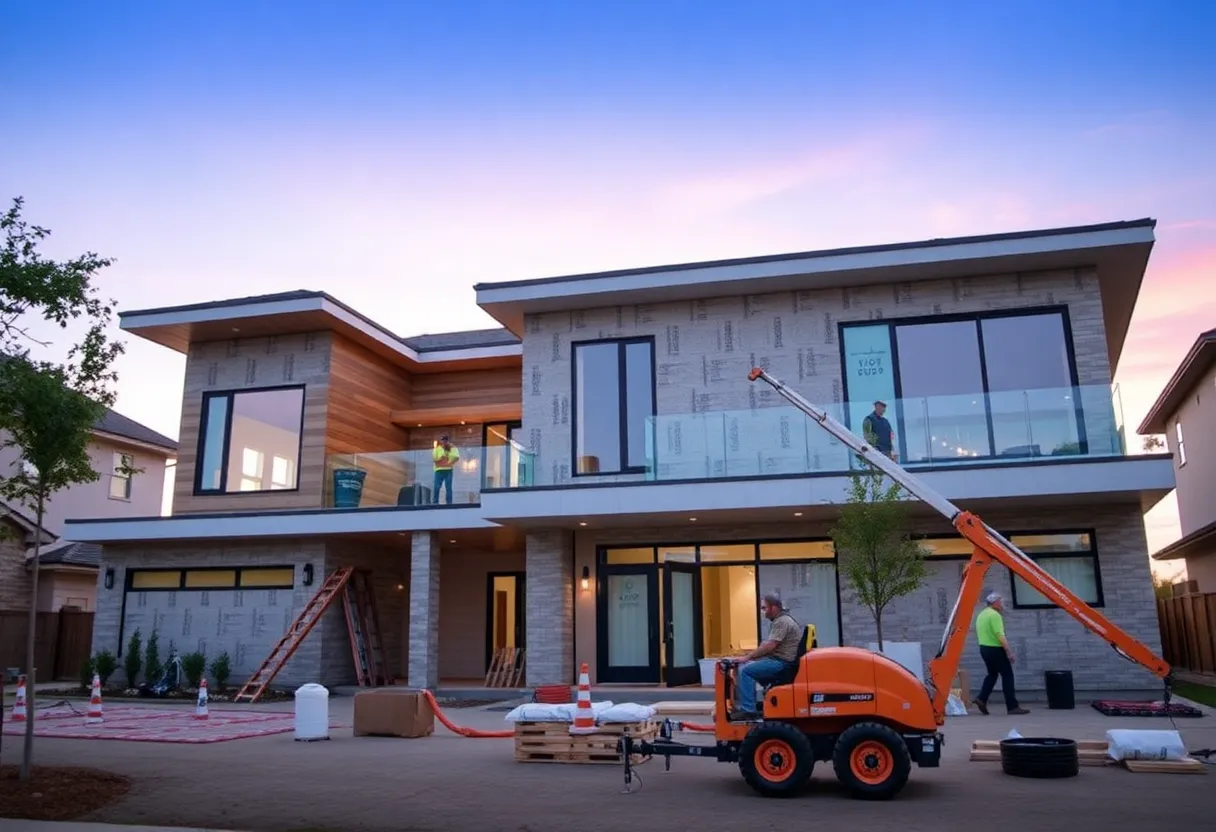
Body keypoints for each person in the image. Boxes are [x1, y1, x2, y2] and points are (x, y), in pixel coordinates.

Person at [730, 594, 804, 720]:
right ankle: (753, 704)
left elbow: (770, 646)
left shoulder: (781, 622)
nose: (763, 612)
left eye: (765, 608)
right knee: (749, 667)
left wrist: (748, 657)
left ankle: (748, 710)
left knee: (746, 671)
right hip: (781, 660)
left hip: (782, 663)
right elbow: (769, 645)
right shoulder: (783, 620)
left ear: (774, 608)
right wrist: (753, 655)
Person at [973, 592, 1029, 715]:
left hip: (984, 648)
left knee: (992, 674)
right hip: (996, 649)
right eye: (1001, 601)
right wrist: (1009, 652)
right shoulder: (995, 615)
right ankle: (1012, 707)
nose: (1003, 604)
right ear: (995, 602)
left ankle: (981, 698)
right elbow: (1000, 635)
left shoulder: (982, 615)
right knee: (1007, 676)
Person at [432, 434, 460, 504]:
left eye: (445, 441)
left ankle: (449, 503)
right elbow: (434, 458)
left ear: (447, 441)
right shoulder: (437, 449)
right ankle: (435, 502)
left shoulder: (452, 448)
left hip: (448, 470)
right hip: (439, 470)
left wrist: (449, 462)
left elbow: (456, 456)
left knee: (448, 487)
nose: (443, 442)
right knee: (436, 487)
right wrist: (440, 459)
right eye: (442, 441)